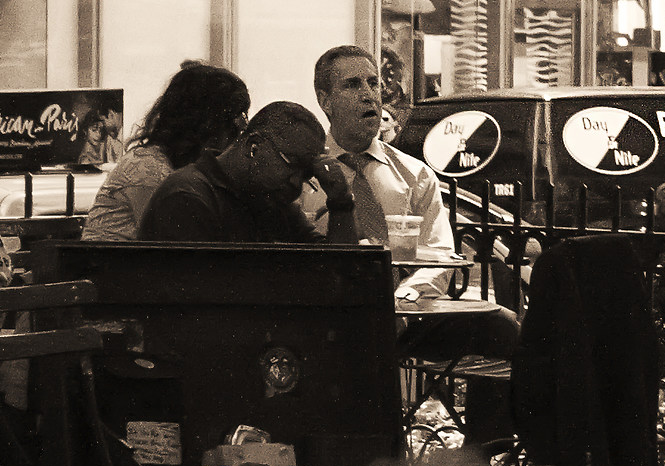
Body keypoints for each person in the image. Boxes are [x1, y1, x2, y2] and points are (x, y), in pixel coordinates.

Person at [301, 44, 519, 362]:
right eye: (352, 84)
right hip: (323, 317)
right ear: (325, 100)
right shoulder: (304, 169)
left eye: (373, 83)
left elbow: (441, 251)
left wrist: (403, 301)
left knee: (502, 327)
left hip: (401, 313)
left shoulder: (413, 174)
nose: (369, 95)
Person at [137, 102, 361, 246]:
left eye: (305, 175)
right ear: (253, 146)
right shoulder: (188, 198)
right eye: (292, 165)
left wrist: (340, 202)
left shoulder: (268, 199)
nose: (296, 184)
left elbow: (338, 275)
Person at [81, 63, 251, 242]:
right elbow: (178, 240)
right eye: (232, 127)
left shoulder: (160, 162)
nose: (236, 138)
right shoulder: (148, 169)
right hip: (110, 267)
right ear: (208, 127)